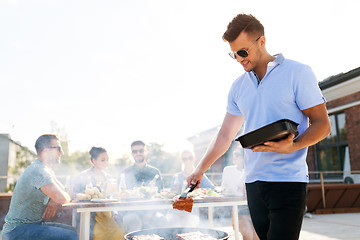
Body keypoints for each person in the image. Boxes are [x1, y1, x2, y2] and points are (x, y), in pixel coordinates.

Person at [187, 13, 331, 240]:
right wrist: (200, 168)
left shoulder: (297, 72)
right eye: (233, 54)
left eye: (243, 52)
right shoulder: (238, 87)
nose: (239, 59)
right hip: (253, 184)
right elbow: (225, 135)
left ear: (262, 42)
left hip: (288, 181)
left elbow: (323, 124)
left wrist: (293, 146)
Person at [2, 134, 78, 240]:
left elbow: (63, 192)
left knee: (73, 231)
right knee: (71, 236)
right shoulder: (38, 170)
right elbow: (62, 198)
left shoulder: (46, 170)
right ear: (46, 150)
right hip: (17, 231)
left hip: (30, 227)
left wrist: (53, 201)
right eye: (59, 148)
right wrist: (56, 199)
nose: (62, 152)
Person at [70, 147, 124, 240]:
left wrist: (115, 212)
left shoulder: (109, 178)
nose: (106, 163)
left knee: (120, 232)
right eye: (103, 160)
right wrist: (83, 194)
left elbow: (113, 197)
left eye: (107, 160)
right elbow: (72, 195)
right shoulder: (82, 177)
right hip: (92, 218)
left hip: (108, 217)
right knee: (97, 235)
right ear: (93, 160)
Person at [120, 140, 165, 232]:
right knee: (132, 220)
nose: (138, 153)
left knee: (162, 219)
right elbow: (120, 196)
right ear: (132, 154)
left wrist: (150, 214)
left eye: (141, 150)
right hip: (131, 212)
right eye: (135, 151)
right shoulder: (125, 173)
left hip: (152, 211)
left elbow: (161, 196)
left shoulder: (155, 172)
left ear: (146, 152)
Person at [221, 145, 259, 240]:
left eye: (238, 154)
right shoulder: (228, 170)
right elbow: (224, 189)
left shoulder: (252, 171)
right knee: (248, 233)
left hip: (254, 210)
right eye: (234, 154)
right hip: (238, 210)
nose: (235, 156)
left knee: (257, 235)